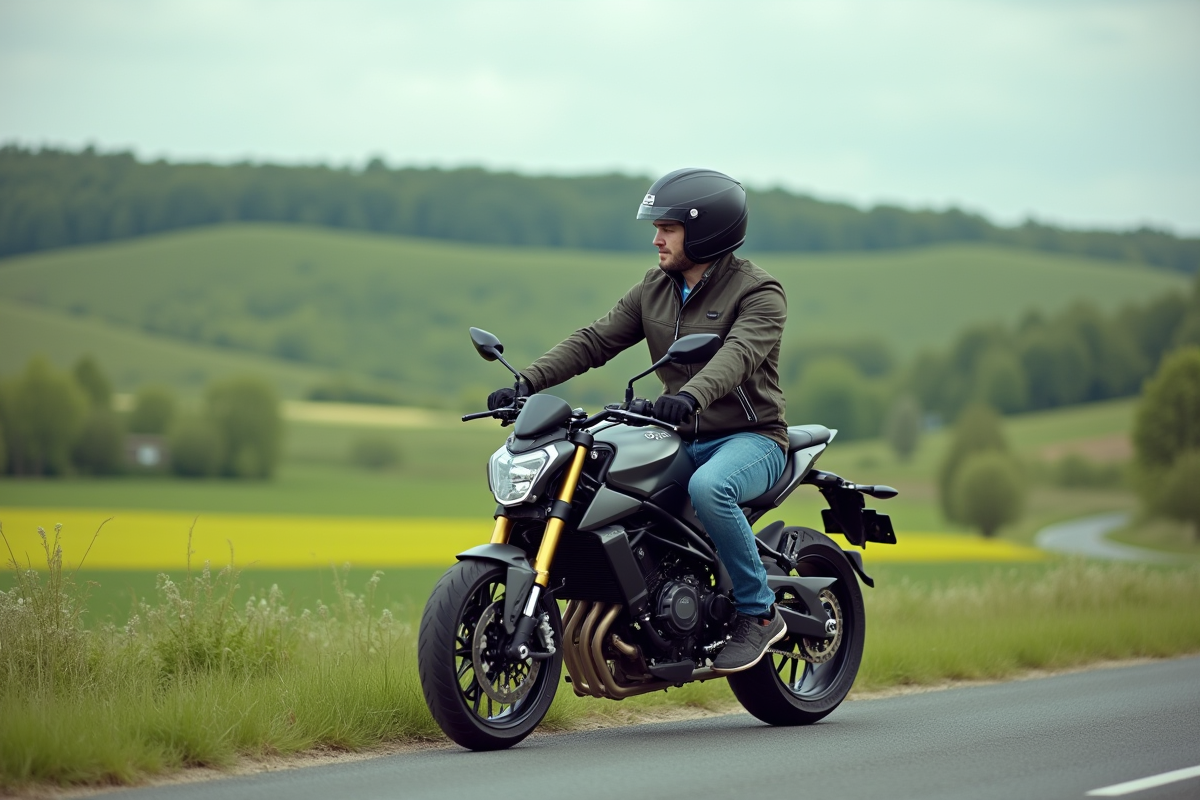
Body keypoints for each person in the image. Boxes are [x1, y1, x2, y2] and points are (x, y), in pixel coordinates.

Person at [487, 167, 789, 674]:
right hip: (677, 433)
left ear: (707, 230)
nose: (656, 239)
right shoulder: (655, 288)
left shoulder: (758, 293)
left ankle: (759, 615)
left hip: (750, 437)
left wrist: (690, 396)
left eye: (667, 228)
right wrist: (526, 383)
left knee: (710, 489)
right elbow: (595, 340)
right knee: (599, 482)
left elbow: (736, 356)